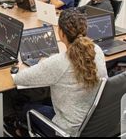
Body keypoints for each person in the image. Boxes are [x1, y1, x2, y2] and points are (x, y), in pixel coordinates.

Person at [7, 9, 108, 137]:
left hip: (67, 130)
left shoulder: (59, 62)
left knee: (27, 107)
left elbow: (19, 79)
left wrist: (42, 64)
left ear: (61, 33)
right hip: (94, 121)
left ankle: (20, 131)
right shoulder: (97, 50)